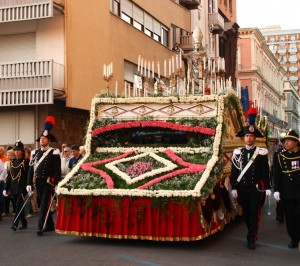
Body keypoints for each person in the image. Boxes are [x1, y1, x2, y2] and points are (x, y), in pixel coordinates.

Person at [230, 107, 271, 250]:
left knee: (254, 213)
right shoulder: (238, 152)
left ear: (255, 138)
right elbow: (234, 171)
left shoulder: (261, 152)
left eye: (251, 136)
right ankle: (251, 231)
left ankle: (251, 238)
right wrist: (234, 187)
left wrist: (267, 187)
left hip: (255, 189)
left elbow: (265, 171)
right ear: (244, 138)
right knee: (247, 213)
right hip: (242, 188)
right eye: (247, 136)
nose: (249, 138)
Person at [27, 116, 61, 235]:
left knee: (44, 203)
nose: (42, 140)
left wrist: (57, 183)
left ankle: (40, 226)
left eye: (44, 138)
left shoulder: (54, 152)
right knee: (44, 203)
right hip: (38, 182)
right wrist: (29, 183)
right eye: (41, 138)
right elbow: (31, 169)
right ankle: (50, 225)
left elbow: (57, 170)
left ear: (49, 140)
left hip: (48, 182)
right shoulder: (34, 153)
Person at [273, 129, 300, 249]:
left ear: (296, 142)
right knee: (289, 216)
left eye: (290, 140)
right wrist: (276, 190)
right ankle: (294, 238)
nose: (286, 143)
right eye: (285, 141)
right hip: (287, 192)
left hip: (299, 191)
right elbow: (277, 174)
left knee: (298, 215)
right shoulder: (280, 156)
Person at [3, 141, 29, 231]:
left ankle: (15, 223)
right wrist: (5, 188)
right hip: (13, 187)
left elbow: (28, 175)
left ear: (22, 151)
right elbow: (9, 177)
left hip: (22, 187)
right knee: (19, 206)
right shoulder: (12, 162)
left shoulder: (26, 162)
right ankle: (24, 223)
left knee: (18, 205)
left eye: (18, 150)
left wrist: (29, 186)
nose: (16, 152)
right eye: (15, 150)